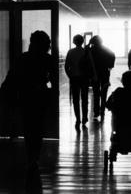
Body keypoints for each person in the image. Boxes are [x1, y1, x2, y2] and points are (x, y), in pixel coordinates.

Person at [1, 31, 57, 183]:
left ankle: (30, 156)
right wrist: (52, 95)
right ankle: (34, 157)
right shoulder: (48, 58)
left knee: (28, 126)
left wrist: (5, 91)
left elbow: (12, 76)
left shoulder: (23, 57)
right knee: (38, 127)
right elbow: (54, 80)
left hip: (25, 96)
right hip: (41, 96)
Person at [65, 34, 93, 131]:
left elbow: (66, 66)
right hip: (84, 78)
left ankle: (78, 119)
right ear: (82, 41)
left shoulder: (70, 52)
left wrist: (70, 76)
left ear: (74, 41)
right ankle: (85, 117)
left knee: (76, 100)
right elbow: (90, 65)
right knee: (84, 99)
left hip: (74, 78)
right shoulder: (86, 52)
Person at [89, 35, 115, 120]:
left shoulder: (91, 50)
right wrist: (110, 66)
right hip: (105, 73)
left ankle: (96, 112)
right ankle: (102, 111)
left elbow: (87, 61)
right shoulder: (107, 49)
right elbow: (112, 56)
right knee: (104, 93)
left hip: (94, 74)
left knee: (96, 93)